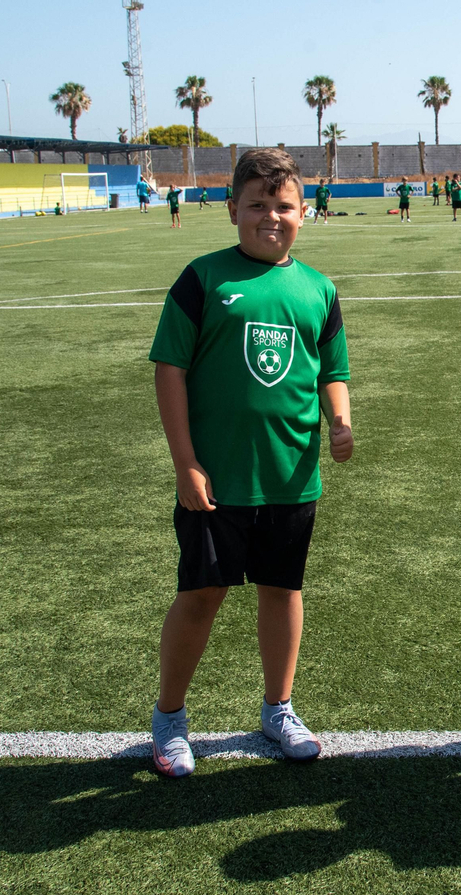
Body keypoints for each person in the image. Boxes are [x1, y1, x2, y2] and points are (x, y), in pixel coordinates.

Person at [145, 147, 354, 778]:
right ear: (232, 208)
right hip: (216, 480)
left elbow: (334, 370)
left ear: (304, 212)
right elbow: (170, 371)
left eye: (283, 205)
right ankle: (170, 719)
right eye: (258, 204)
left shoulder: (319, 288)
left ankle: (278, 708)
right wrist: (185, 462)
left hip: (291, 477)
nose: (271, 216)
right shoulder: (203, 279)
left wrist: (340, 418)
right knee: (201, 594)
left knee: (282, 591)